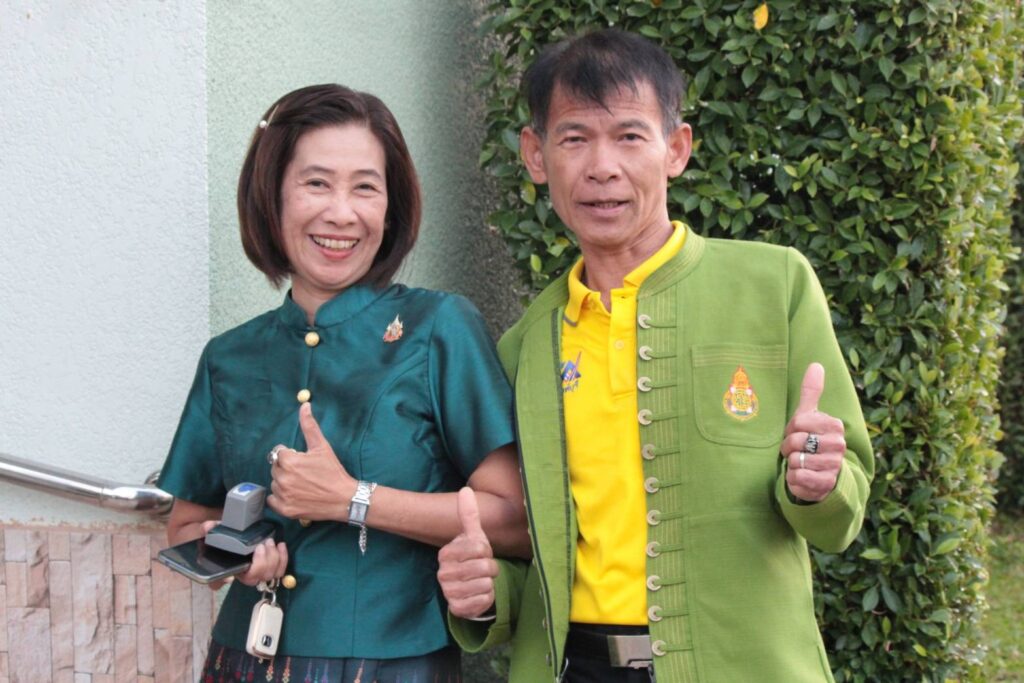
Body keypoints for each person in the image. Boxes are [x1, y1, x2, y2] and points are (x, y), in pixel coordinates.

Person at [437, 29, 874, 682]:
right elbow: (538, 558)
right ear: (535, 154)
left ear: (676, 149)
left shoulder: (774, 286)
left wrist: (820, 481)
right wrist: (485, 590)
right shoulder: (526, 346)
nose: (602, 167)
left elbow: (843, 509)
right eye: (574, 139)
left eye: (629, 136)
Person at [157, 83, 530, 683]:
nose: (341, 212)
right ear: (272, 197)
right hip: (244, 661)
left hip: (394, 663)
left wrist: (353, 498)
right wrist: (235, 553)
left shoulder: (439, 328)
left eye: (365, 187)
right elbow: (185, 525)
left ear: (391, 207)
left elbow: (515, 519)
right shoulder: (228, 357)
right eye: (316, 183)